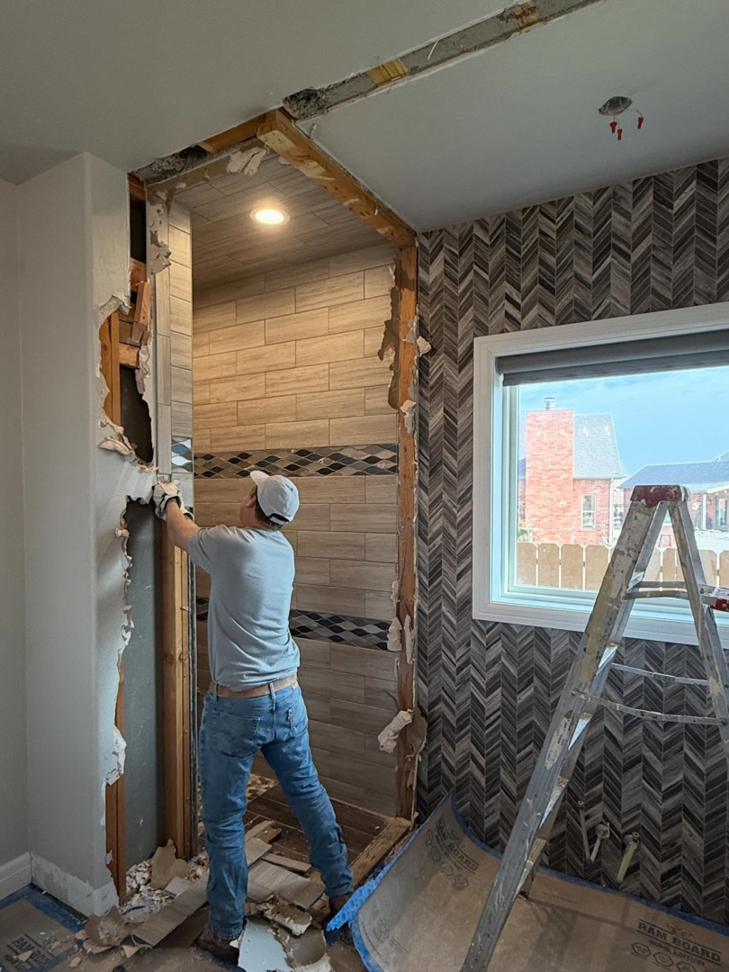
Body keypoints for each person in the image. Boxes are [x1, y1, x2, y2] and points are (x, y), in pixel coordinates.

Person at [154, 472, 352, 965]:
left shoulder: (230, 544)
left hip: (235, 708)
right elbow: (208, 541)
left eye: (249, 493)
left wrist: (167, 495)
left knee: (223, 822)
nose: (243, 497)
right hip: (286, 698)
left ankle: (224, 932)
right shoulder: (280, 550)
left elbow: (180, 532)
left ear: (254, 506)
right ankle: (343, 892)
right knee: (307, 791)